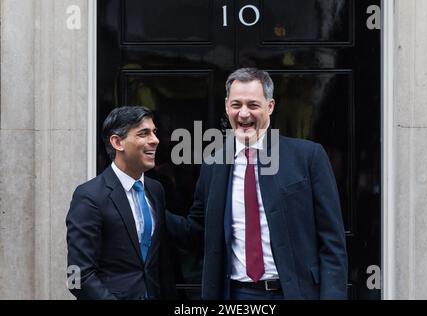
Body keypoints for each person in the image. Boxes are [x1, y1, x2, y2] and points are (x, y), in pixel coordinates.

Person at [167, 68, 348, 300]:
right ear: (226, 106)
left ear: (270, 106)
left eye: (253, 105)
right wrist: (147, 203)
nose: (243, 114)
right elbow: (197, 232)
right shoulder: (213, 164)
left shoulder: (308, 157)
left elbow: (332, 242)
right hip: (235, 296)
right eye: (236, 105)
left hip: (292, 293)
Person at [66, 106, 176, 299]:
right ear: (117, 142)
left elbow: (159, 262)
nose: (155, 140)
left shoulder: (156, 190)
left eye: (154, 132)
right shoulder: (89, 196)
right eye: (144, 133)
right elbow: (77, 276)